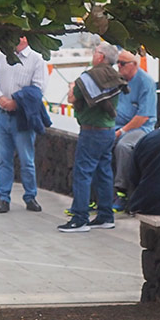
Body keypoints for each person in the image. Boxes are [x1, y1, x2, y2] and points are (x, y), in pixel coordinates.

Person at [58, 42, 125, 232]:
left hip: (91, 130)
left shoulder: (89, 77)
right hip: (108, 130)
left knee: (83, 173)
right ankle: (105, 216)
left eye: (95, 52)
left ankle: (80, 218)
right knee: (104, 173)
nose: (93, 54)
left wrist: (72, 87)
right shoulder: (115, 76)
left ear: (101, 57)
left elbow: (72, 97)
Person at [0, 36, 47, 213]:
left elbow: (38, 88)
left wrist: (16, 101)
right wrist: (0, 98)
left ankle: (30, 196)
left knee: (26, 159)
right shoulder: (3, 56)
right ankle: (3, 197)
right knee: (4, 159)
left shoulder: (36, 59)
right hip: (2, 115)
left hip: (22, 116)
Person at [111, 49, 157, 201]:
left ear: (134, 64)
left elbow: (143, 116)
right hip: (116, 124)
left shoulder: (145, 82)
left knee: (123, 146)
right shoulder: (118, 80)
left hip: (140, 128)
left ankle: (121, 191)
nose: (119, 66)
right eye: (117, 62)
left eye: (122, 63)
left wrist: (121, 131)